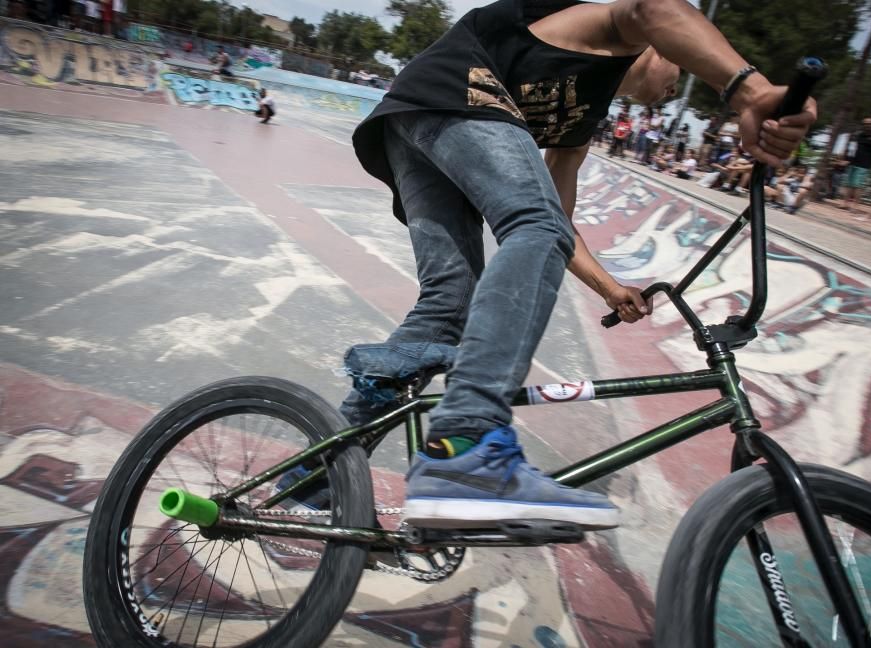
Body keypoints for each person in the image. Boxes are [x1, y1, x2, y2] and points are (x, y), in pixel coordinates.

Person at [338, 0, 815, 529]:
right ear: (662, 47)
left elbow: (556, 222)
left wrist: (608, 287)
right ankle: (465, 445)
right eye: (678, 67)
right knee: (528, 227)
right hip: (451, 95)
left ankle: (320, 474)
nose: (677, 84)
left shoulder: (583, 115)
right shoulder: (611, 29)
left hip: (409, 123)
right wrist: (750, 90)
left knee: (449, 303)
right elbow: (654, 8)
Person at [841, 117, 871, 215]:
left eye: (870, 124)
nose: (867, 125)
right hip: (854, 161)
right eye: (865, 123)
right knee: (849, 184)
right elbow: (854, 147)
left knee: (858, 186)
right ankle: (845, 203)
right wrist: (848, 160)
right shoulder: (859, 135)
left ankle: (855, 205)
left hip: (865, 164)